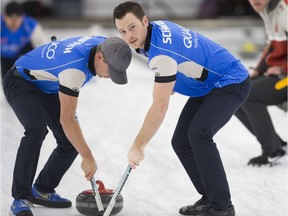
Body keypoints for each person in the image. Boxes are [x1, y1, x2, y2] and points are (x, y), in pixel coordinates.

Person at [113, 2, 251, 216]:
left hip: (231, 81)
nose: (129, 36)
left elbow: (159, 107)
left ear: (145, 21)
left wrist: (138, 146)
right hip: (207, 85)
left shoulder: (161, 54)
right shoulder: (156, 30)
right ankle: (210, 197)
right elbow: (184, 56)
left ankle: (222, 206)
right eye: (122, 31)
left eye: (132, 27)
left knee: (199, 133)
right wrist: (170, 83)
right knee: (181, 141)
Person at [3, 36, 132, 216]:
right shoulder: (74, 71)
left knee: (70, 141)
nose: (110, 76)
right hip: (21, 81)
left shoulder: (106, 43)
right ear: (100, 57)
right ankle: (20, 197)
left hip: (49, 85)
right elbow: (67, 120)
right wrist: (87, 156)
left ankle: (42, 188)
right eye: (111, 70)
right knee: (36, 129)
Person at [234, 0, 287, 167]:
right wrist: (258, 70)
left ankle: (272, 151)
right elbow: (272, 46)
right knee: (235, 93)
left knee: (249, 94)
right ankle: (276, 145)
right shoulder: (268, 10)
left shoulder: (284, 8)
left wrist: (283, 67)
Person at [1, 1, 47, 80]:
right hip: (5, 58)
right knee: (7, 81)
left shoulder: (31, 25)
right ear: (4, 16)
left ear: (22, 17)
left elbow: (42, 47)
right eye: (11, 18)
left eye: (17, 18)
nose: (14, 22)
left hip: (23, 56)